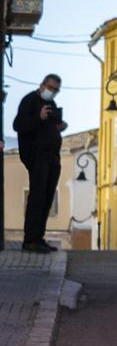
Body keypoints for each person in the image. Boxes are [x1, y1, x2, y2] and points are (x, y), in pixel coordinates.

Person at [13, 74, 65, 252]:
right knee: (37, 197)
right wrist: (39, 117)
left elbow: (50, 124)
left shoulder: (51, 105)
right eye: (50, 88)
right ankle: (30, 240)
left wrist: (58, 125)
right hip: (37, 155)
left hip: (52, 156)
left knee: (47, 197)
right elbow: (18, 125)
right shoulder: (29, 101)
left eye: (56, 90)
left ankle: (38, 237)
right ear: (42, 85)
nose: (52, 92)